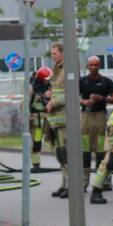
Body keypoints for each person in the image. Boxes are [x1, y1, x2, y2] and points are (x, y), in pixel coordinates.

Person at [73, 56, 113, 195]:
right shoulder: (82, 81)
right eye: (91, 65)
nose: (93, 67)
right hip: (85, 117)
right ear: (87, 66)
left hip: (100, 117)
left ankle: (102, 181)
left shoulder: (106, 82)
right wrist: (84, 102)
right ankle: (84, 182)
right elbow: (73, 95)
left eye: (96, 65)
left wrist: (102, 98)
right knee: (85, 151)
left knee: (101, 151)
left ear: (100, 66)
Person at [46, 42, 69, 196]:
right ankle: (64, 184)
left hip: (65, 119)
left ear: (62, 53)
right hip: (55, 120)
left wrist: (53, 102)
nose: (52, 56)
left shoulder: (67, 69)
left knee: (66, 153)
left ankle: (70, 186)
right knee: (59, 153)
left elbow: (71, 92)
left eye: (54, 53)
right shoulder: (56, 69)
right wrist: (49, 95)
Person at [28, 66, 53, 170]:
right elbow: (25, 104)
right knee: (37, 141)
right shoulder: (32, 88)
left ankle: (64, 163)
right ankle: (36, 163)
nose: (49, 81)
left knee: (55, 140)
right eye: (47, 79)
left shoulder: (51, 87)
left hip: (50, 119)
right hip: (37, 120)